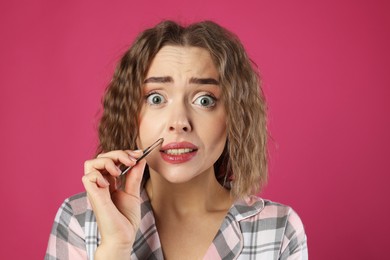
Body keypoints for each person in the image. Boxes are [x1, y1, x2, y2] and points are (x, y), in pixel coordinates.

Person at [45, 20, 308, 260]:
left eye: (204, 100)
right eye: (156, 98)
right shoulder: (80, 219)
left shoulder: (278, 230)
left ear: (234, 117)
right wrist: (115, 248)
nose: (179, 121)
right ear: (130, 113)